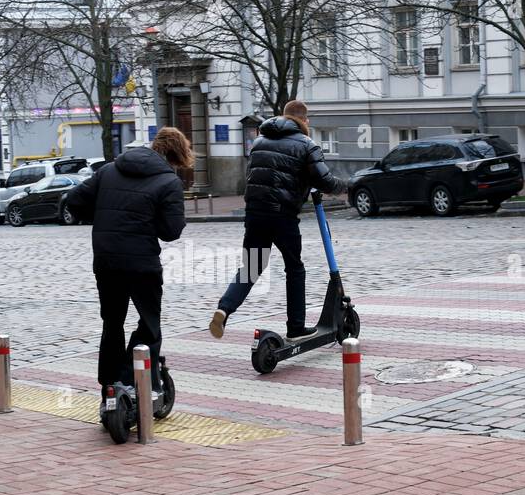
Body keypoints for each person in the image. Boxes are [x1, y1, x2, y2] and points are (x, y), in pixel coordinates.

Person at [66, 128, 190, 400]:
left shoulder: (109, 170)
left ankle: (110, 387)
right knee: (150, 325)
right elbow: (171, 231)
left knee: (112, 323)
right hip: (141, 264)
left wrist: (102, 218)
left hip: (106, 260)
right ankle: (134, 380)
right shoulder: (169, 182)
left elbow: (72, 200)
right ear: (177, 155)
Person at [209, 99, 347, 340]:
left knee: (251, 268)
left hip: (254, 213)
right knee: (295, 268)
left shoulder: (260, 141)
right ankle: (295, 327)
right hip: (282, 215)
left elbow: (252, 175)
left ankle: (224, 308)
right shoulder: (306, 144)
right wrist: (346, 186)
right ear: (304, 120)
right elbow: (324, 180)